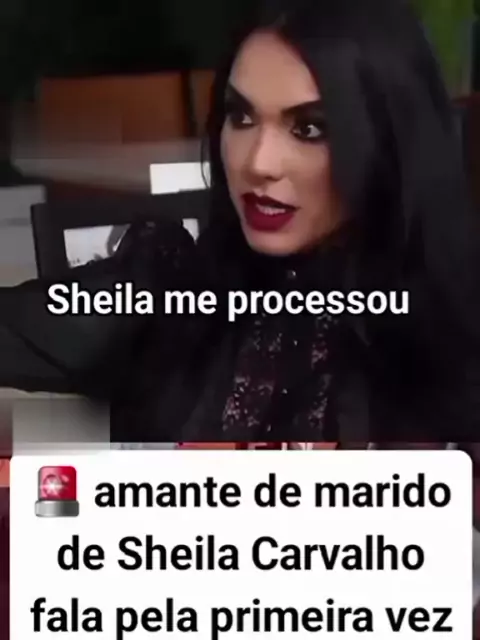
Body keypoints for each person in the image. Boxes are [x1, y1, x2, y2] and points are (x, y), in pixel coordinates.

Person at [0, 0, 479, 444]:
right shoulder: (171, 295)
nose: (258, 163)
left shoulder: (454, 319)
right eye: (241, 116)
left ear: (387, 139)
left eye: (309, 128)